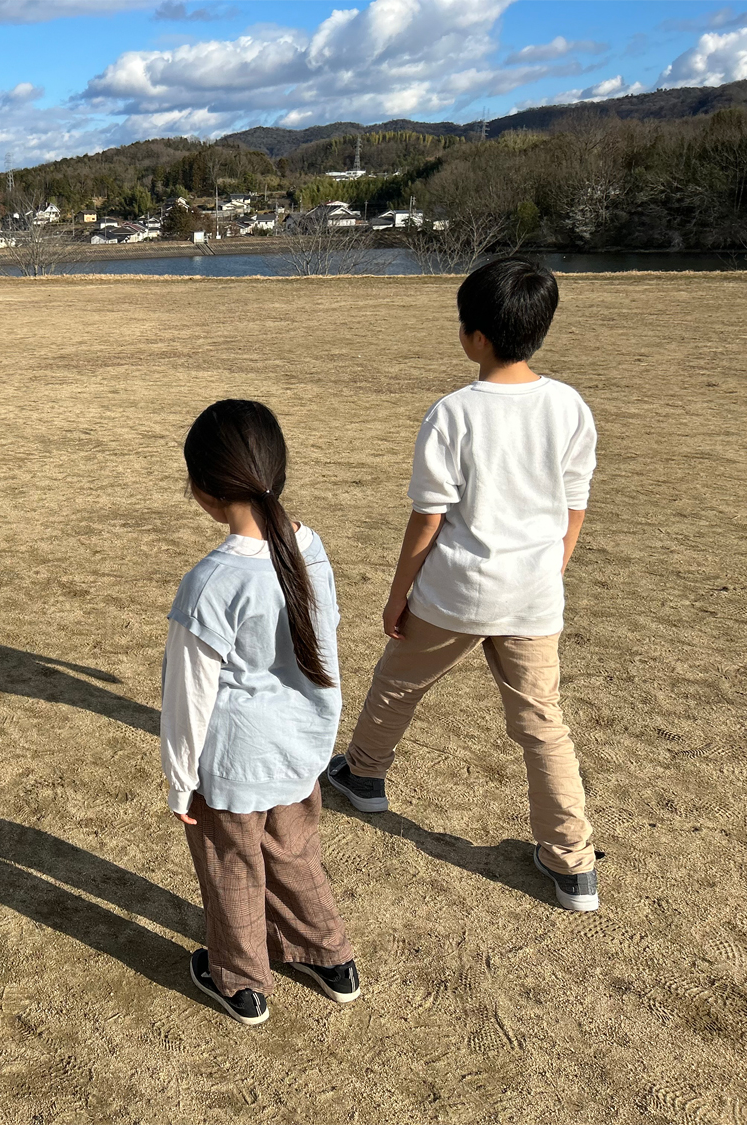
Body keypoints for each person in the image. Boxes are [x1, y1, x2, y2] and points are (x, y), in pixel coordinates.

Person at [326, 257, 601, 912]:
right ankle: (573, 864)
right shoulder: (568, 406)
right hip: (533, 595)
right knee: (542, 722)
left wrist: (398, 594)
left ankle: (363, 774)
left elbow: (428, 516)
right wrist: (552, 565)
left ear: (473, 336)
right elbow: (575, 504)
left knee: (399, 680)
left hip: (455, 591)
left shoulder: (453, 413)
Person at [161, 399, 360, 1026]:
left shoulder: (211, 581)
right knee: (296, 853)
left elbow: (186, 696)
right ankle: (331, 958)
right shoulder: (310, 547)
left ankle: (242, 981)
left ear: (202, 490)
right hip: (300, 746)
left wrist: (178, 781)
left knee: (233, 868)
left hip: (233, 760)